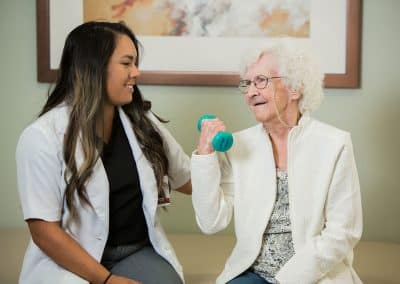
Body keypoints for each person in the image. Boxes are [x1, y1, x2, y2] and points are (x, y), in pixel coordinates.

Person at [16, 21, 191, 284]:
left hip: (134, 252)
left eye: (136, 63)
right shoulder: (41, 137)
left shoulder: (143, 123)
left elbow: (189, 180)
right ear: (94, 66)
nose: (136, 72)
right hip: (68, 259)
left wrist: (236, 165)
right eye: (127, 63)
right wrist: (106, 281)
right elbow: (43, 231)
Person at [191, 41, 362, 284]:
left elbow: (342, 232)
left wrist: (288, 279)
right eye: (247, 83)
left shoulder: (335, 144)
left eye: (261, 80)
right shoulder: (238, 146)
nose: (250, 92)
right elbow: (211, 222)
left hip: (315, 276)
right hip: (253, 273)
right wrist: (205, 155)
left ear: (295, 88)